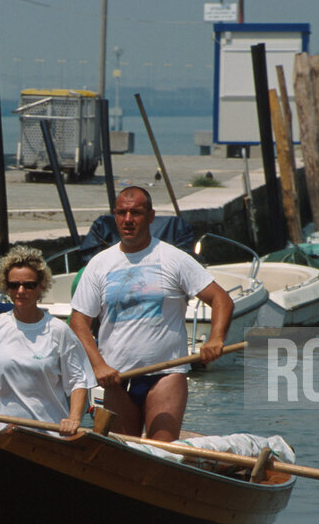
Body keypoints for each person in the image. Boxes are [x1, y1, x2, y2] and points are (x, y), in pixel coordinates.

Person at [69, 186, 234, 442]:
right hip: (117, 378)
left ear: (150, 216)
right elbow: (78, 322)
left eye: (136, 213)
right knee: (121, 453)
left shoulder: (174, 258)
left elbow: (221, 299)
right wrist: (98, 365)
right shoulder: (99, 265)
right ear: (115, 216)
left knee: (161, 452)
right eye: (121, 213)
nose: (128, 220)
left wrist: (216, 338)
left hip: (166, 374)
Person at [0, 245, 96, 435]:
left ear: (40, 287)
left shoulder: (60, 331)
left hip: (50, 435)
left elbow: (78, 382)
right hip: (3, 435)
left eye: (29, 285)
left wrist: (74, 419)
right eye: (14, 285)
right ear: (7, 287)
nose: (21, 290)